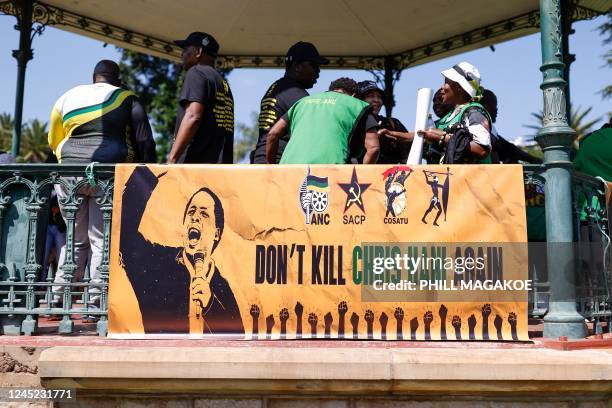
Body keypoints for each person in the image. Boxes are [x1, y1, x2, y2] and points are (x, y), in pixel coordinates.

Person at [47, 59, 156, 304]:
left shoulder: (68, 96)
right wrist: (148, 176)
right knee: (100, 240)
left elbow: (54, 141)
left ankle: (56, 298)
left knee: (75, 240)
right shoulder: (127, 97)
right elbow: (145, 142)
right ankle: (96, 302)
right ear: (117, 81)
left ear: (94, 77)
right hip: (105, 175)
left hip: (69, 175)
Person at [120, 165, 243, 335]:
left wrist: (210, 305)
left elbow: (238, 332)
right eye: (191, 211)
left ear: (217, 233)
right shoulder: (158, 261)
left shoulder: (221, 286)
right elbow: (125, 237)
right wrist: (144, 177)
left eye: (204, 214)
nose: (195, 217)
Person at [266, 78, 379, 164]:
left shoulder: (302, 102)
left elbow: (273, 134)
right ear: (354, 95)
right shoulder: (357, 105)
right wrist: (361, 177)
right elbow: (373, 148)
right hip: (331, 172)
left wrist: (272, 168)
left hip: (289, 170)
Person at [250, 41, 329, 163]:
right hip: (276, 163)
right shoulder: (295, 94)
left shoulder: (277, 87)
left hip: (264, 160)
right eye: (314, 65)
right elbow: (317, 133)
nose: (318, 71)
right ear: (297, 66)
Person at [168, 32, 234, 164]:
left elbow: (193, 116)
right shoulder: (222, 83)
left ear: (198, 51)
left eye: (186, 50)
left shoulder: (196, 73)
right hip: (219, 169)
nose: (182, 54)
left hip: (193, 169)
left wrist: (172, 159)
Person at [418, 62, 492, 164]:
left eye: (446, 82)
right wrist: (394, 134)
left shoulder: (474, 112)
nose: (442, 87)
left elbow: (481, 150)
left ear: (458, 87)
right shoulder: (448, 117)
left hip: (472, 179)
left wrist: (441, 138)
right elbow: (423, 134)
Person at [356, 80, 413, 164]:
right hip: (357, 175)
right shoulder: (351, 124)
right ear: (358, 100)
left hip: (390, 175)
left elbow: (408, 156)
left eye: (379, 97)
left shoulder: (393, 123)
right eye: (370, 96)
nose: (376, 100)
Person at [480, 89, 542, 164]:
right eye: (494, 106)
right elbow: (507, 148)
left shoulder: (490, 128)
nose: (497, 110)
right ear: (486, 106)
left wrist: (533, 159)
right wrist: (533, 159)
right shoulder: (479, 126)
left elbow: (508, 147)